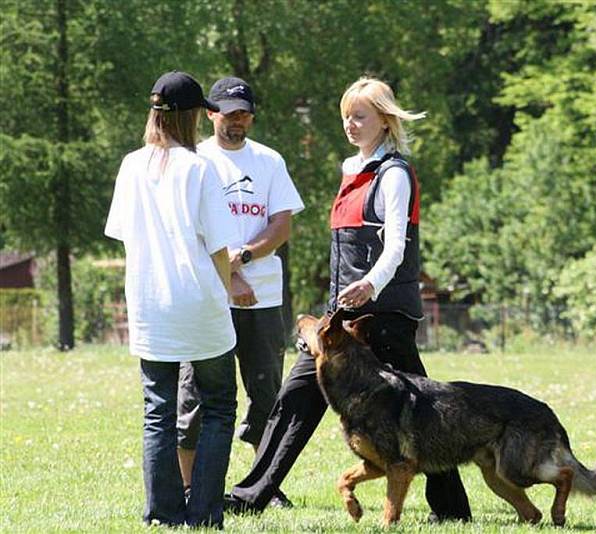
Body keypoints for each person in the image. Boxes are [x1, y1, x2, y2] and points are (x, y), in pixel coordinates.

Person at [224, 77, 472, 522]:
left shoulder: (393, 174)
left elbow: (396, 246)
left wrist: (371, 286)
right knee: (296, 396)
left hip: (384, 314)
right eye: (346, 116)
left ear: (385, 120)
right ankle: (250, 497)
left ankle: (453, 510)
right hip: (343, 317)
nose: (350, 124)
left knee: (426, 413)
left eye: (360, 116)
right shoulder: (350, 170)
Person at [104, 71, 238, 528]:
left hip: (149, 304)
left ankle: (163, 513)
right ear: (193, 116)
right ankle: (202, 512)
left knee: (157, 410)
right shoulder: (200, 168)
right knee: (219, 406)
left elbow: (124, 237)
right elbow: (218, 246)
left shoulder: (130, 165)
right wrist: (229, 289)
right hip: (199, 302)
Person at [175, 77, 304, 507]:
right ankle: (190, 485)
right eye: (229, 114)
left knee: (267, 393)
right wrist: (227, 277)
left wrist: (242, 259)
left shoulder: (269, 161)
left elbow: (281, 225)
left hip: (263, 298)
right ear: (211, 114)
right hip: (209, 297)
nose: (237, 122)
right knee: (196, 393)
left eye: (244, 114)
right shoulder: (194, 160)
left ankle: (263, 486)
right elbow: (189, 229)